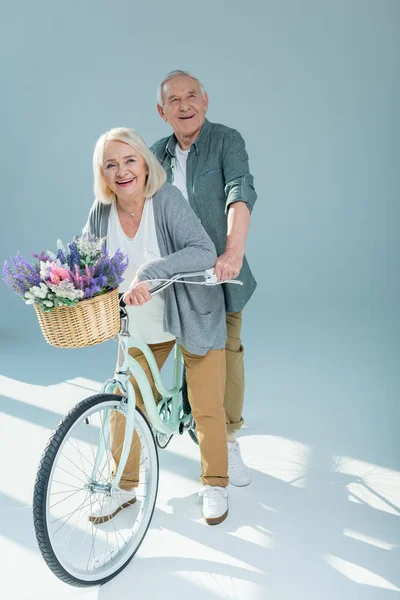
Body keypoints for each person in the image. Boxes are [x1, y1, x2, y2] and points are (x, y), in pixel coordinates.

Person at [83, 127, 229, 525]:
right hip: (139, 326)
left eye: (130, 160)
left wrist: (150, 271)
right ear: (103, 173)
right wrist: (64, 286)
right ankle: (123, 487)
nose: (122, 171)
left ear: (146, 165)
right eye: (110, 164)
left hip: (190, 315)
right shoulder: (101, 213)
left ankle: (215, 483)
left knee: (205, 406)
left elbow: (203, 251)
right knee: (122, 405)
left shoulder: (165, 200)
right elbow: (87, 266)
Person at [151, 70, 257, 486]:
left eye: (191, 96)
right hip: (171, 279)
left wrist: (232, 252)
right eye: (174, 101)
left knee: (227, 355)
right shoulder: (155, 154)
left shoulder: (226, 141)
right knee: (153, 351)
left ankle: (227, 438)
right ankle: (153, 425)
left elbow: (240, 192)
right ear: (162, 112)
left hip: (219, 276)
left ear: (205, 100)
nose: (184, 105)